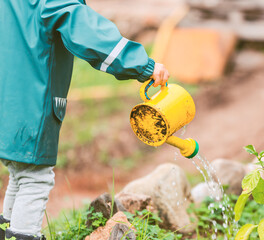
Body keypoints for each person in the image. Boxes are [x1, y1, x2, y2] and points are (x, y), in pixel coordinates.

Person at [0, 0, 169, 239]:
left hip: (5, 102)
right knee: (35, 177)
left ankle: (8, 230)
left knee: (20, 171)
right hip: (30, 102)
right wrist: (143, 65)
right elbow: (90, 34)